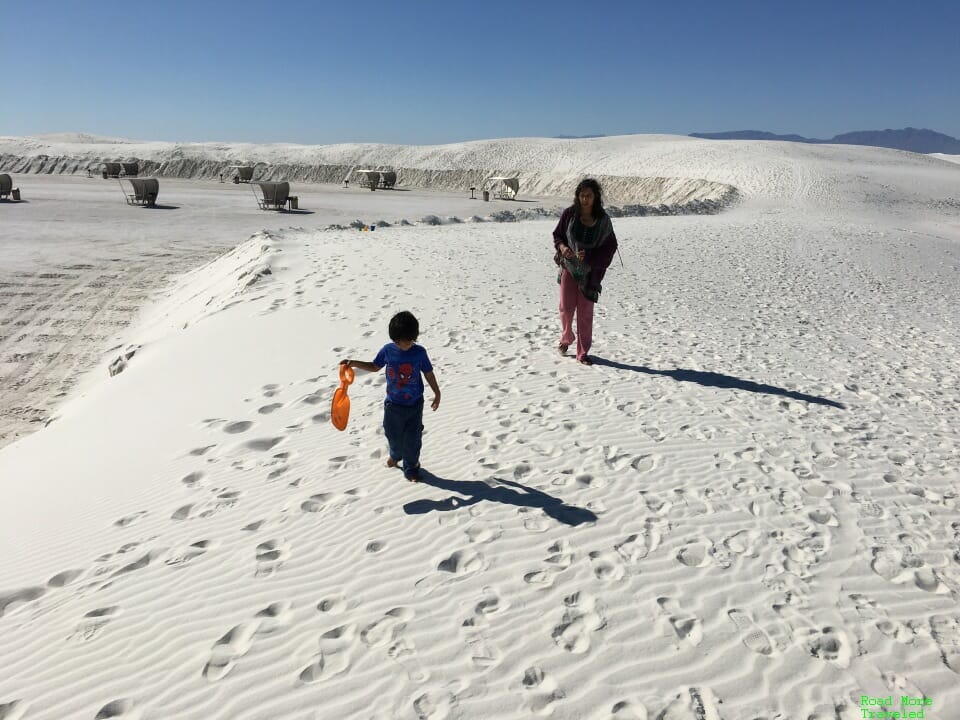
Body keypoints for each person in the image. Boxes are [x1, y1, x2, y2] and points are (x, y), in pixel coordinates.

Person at [341, 311, 440, 481]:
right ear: (395, 339)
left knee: (412, 439)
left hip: (415, 405)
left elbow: (429, 373)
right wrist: (353, 363)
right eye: (403, 341)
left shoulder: (419, 353)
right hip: (393, 405)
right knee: (392, 434)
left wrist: (437, 392)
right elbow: (374, 366)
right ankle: (395, 454)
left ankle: (411, 467)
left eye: (410, 340)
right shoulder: (388, 350)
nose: (407, 344)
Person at [552, 178, 619, 365]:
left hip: (591, 273)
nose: (585, 199)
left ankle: (582, 352)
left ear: (595, 197)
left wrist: (589, 256)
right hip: (569, 267)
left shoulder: (603, 220)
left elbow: (610, 246)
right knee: (565, 308)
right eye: (582, 195)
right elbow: (557, 235)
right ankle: (566, 339)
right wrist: (563, 248)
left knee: (585, 312)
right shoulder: (569, 215)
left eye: (589, 195)